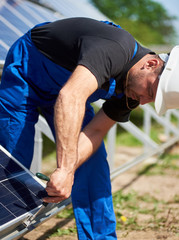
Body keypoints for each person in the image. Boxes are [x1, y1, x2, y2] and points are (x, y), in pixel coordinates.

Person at [0, 17, 176, 239]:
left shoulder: (132, 91)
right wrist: (63, 169)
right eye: (150, 92)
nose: (143, 102)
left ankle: (100, 237)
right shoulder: (114, 48)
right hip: (28, 71)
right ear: (151, 65)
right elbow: (71, 95)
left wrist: (68, 170)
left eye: (152, 101)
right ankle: (6, 229)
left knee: (92, 163)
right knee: (13, 158)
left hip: (70, 91)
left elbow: (95, 131)